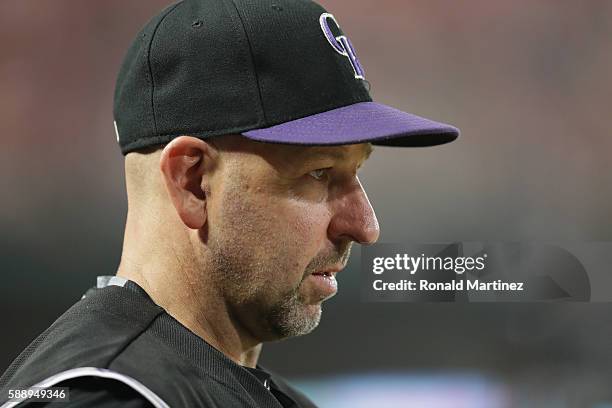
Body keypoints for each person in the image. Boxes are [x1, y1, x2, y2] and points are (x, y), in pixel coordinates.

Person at [0, 0, 459, 406]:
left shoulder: (257, 394)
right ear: (193, 181)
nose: (365, 226)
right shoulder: (108, 393)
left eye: (357, 172)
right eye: (319, 172)